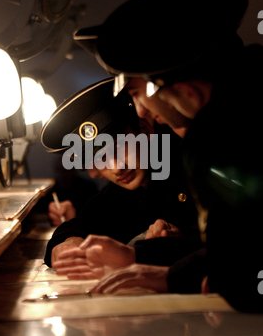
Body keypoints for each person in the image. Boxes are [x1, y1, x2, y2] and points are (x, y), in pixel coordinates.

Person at [70, 0, 263, 312]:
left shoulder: (219, 136)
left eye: (139, 95)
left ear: (190, 93)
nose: (145, 113)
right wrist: (185, 275)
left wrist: (218, 276)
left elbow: (241, 271)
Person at [41, 78, 201, 276]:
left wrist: (181, 237)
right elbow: (83, 223)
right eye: (101, 159)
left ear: (145, 130)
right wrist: (68, 242)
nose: (116, 168)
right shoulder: (122, 192)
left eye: (120, 149)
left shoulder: (189, 158)